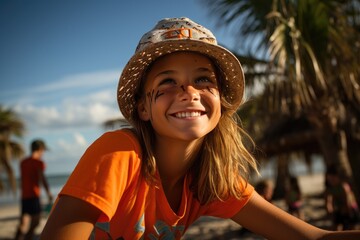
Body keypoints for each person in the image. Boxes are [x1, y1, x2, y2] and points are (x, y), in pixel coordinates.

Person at [40, 17, 360, 239]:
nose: (189, 92)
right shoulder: (118, 153)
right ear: (143, 107)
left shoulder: (210, 178)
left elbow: (313, 237)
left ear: (220, 99)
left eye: (203, 80)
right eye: (168, 82)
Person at [15, 139, 53, 240]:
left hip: (24, 195)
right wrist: (48, 192)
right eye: (43, 151)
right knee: (35, 222)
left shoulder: (23, 162)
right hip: (33, 195)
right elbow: (42, 179)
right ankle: (27, 238)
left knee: (23, 222)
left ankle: (18, 237)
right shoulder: (38, 162)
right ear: (40, 149)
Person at [325, 165, 359, 231]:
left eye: (333, 179)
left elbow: (348, 200)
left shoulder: (343, 186)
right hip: (339, 209)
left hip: (350, 208)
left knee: (352, 227)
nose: (331, 181)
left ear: (339, 177)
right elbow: (328, 200)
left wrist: (347, 211)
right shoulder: (329, 188)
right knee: (337, 226)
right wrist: (329, 207)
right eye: (329, 179)